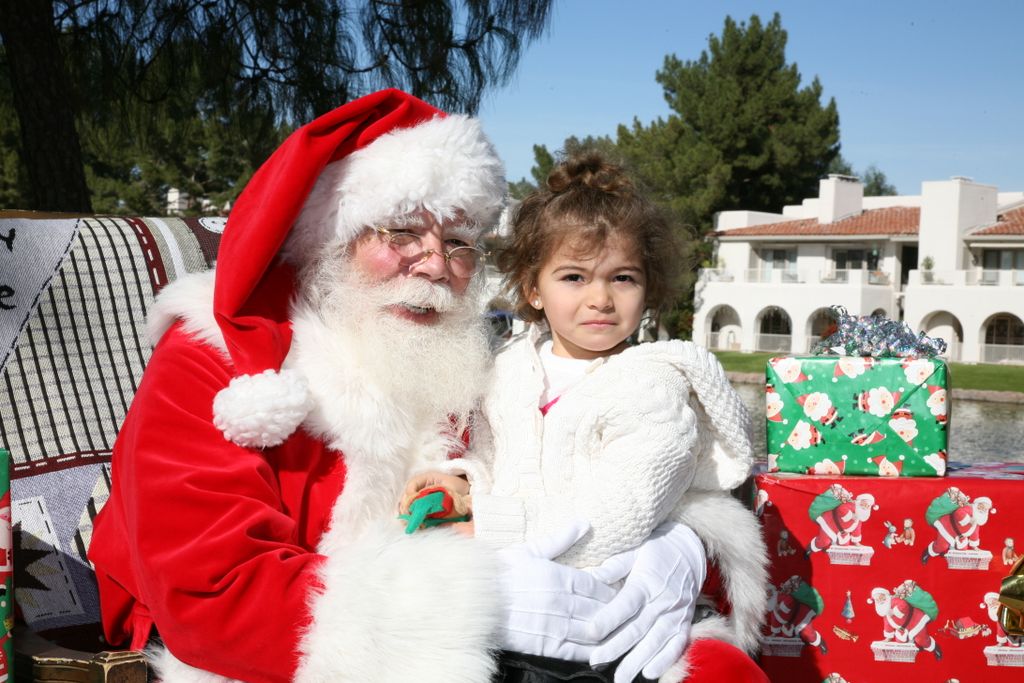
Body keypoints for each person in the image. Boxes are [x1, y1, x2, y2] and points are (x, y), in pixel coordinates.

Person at [88, 89, 765, 683]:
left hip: (484, 640)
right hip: (310, 657)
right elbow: (214, 592)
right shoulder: (216, 358)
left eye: (460, 242)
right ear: (333, 237)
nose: (435, 263)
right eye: (403, 231)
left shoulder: (474, 367)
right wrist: (482, 602)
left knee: (721, 669)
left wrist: (678, 548)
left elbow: (596, 486)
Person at [403, 155, 768, 682]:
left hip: (605, 620)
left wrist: (484, 523)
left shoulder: (654, 384)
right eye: (574, 277)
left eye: (622, 277)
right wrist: (462, 484)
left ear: (648, 289)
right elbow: (491, 459)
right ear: (533, 288)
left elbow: (621, 513)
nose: (600, 299)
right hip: (505, 607)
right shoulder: (507, 370)